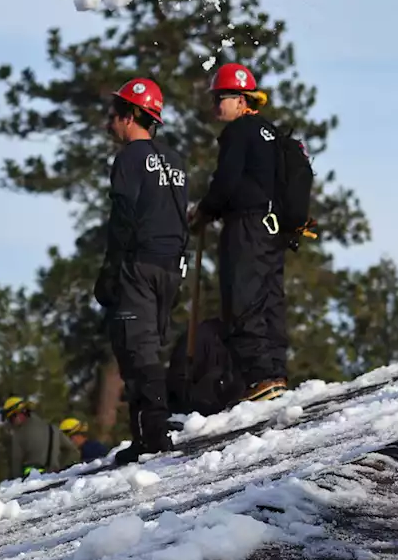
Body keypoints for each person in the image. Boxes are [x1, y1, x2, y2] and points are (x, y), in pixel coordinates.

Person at [94, 77, 190, 464]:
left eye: (113, 116)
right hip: (171, 267)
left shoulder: (129, 159)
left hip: (140, 265)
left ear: (132, 115)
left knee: (137, 348)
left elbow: (123, 218)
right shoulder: (176, 161)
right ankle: (150, 430)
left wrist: (110, 270)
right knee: (148, 345)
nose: (108, 124)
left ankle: (153, 435)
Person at [188, 63, 289, 403]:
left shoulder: (238, 131)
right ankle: (275, 370)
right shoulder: (269, 132)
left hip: (246, 225)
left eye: (223, 97)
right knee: (270, 297)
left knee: (243, 297)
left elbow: (226, 182)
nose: (217, 104)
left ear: (242, 99)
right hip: (273, 227)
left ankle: (259, 376)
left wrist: (205, 210)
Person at [0, 397, 76, 477]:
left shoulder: (19, 435)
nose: (11, 422)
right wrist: (58, 465)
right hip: (55, 477)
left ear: (19, 414)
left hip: (32, 482)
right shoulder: (53, 429)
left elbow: (16, 466)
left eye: (11, 418)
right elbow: (70, 449)